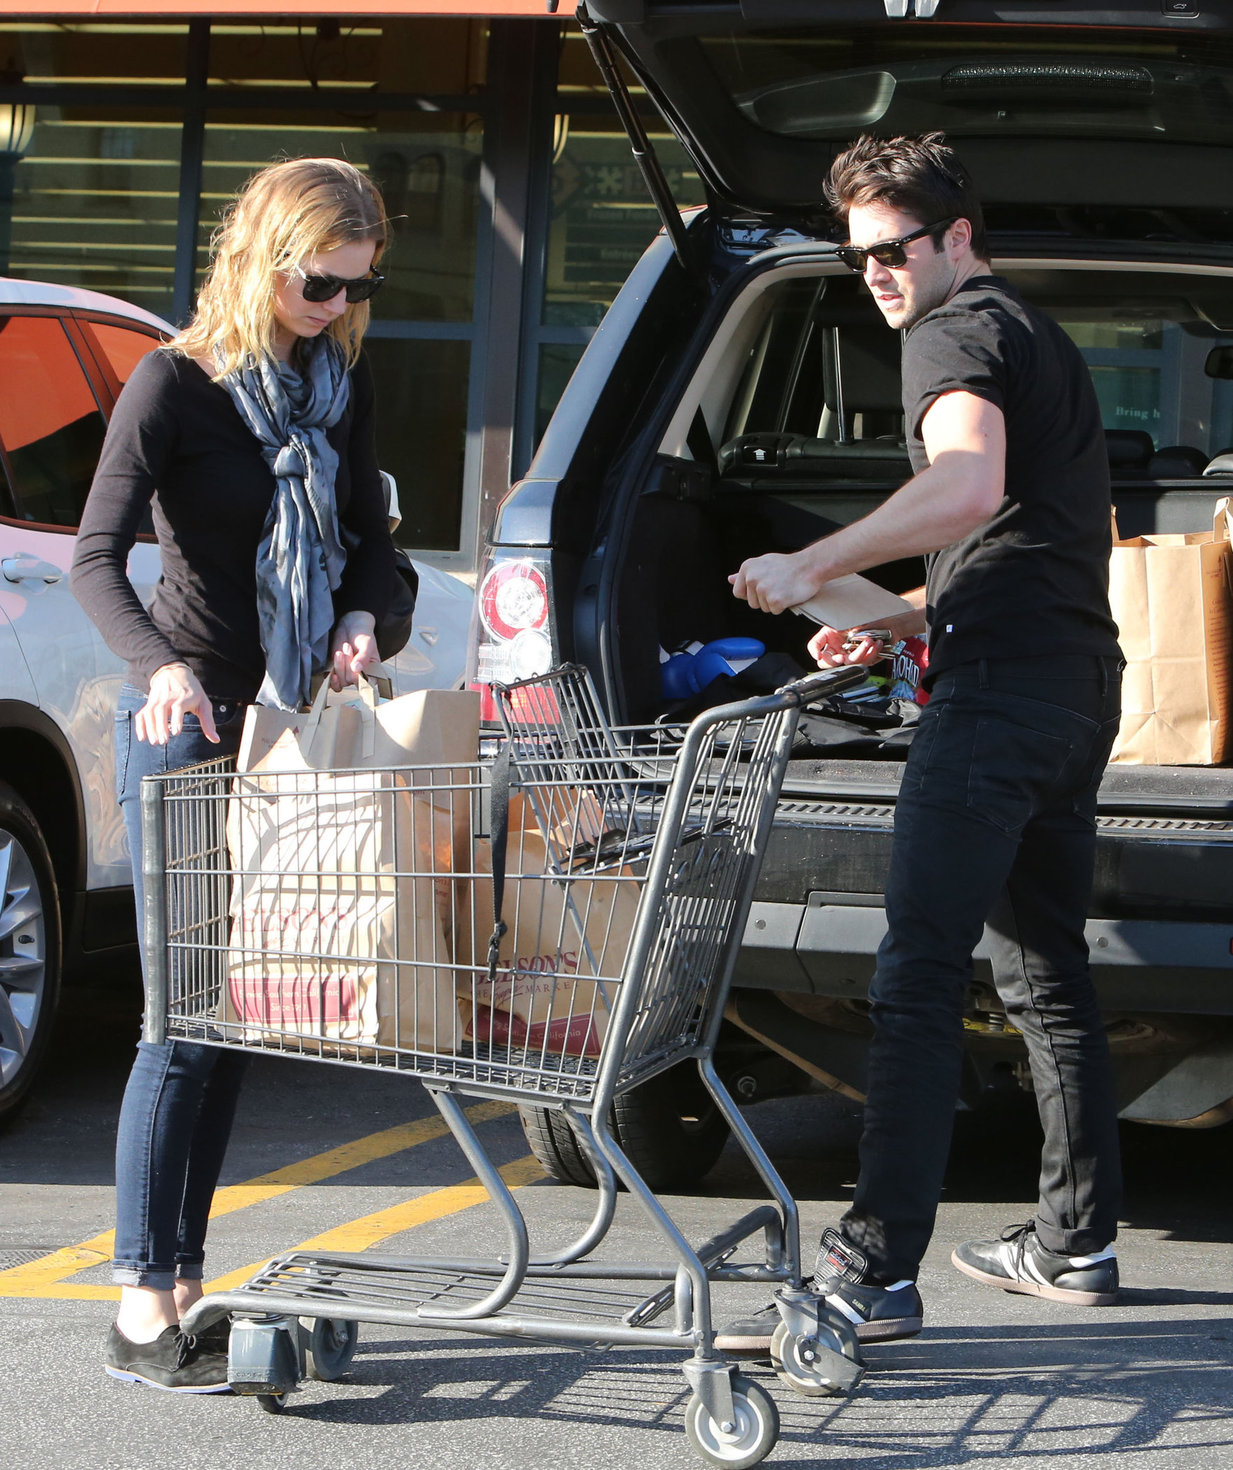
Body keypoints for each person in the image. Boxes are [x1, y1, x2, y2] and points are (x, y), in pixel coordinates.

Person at [717, 132, 1124, 1354]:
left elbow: (970, 488)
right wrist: (898, 621)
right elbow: (1024, 540)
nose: (880, 276)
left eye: (897, 249)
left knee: (917, 976)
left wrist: (811, 563)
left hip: (998, 708)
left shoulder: (954, 333)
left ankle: (873, 1270)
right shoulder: (1032, 335)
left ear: (956, 236)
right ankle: (1074, 1243)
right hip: (1068, 690)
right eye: (860, 258)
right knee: (1047, 975)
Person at [71, 156, 412, 1391]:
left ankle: (184, 1278)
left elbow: (378, 550)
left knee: (230, 1022)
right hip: (186, 722)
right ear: (267, 256)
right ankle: (137, 1298)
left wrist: (367, 622)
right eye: (319, 283)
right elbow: (97, 558)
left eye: (354, 289)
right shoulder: (174, 383)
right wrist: (159, 668)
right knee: (178, 1017)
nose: (333, 307)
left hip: (288, 724)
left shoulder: (337, 387)